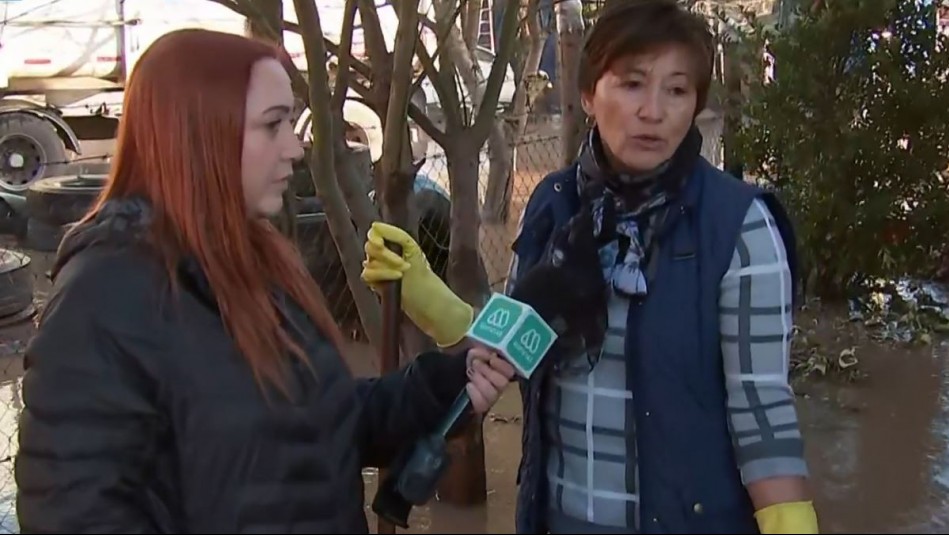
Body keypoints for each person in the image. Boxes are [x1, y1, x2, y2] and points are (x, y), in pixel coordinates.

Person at [13, 28, 516, 534]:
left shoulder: (251, 260)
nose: (296, 148)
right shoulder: (104, 298)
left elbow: (314, 424)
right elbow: (73, 514)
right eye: (272, 125)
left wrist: (437, 387)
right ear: (198, 134)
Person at [360, 1, 820, 534]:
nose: (654, 111)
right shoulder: (554, 207)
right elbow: (507, 353)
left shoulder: (739, 225)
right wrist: (423, 292)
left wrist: (790, 523)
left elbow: (763, 416)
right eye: (632, 84)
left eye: (676, 90)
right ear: (588, 94)